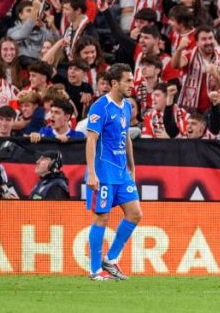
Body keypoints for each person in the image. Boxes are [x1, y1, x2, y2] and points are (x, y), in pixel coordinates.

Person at [85, 63, 143, 281]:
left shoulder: (127, 106)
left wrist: (132, 166)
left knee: (135, 213)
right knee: (102, 217)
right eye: (128, 80)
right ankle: (93, 271)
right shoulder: (100, 107)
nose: (132, 84)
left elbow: (125, 135)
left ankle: (110, 260)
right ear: (114, 83)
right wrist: (92, 173)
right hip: (103, 172)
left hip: (121, 172)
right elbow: (91, 139)